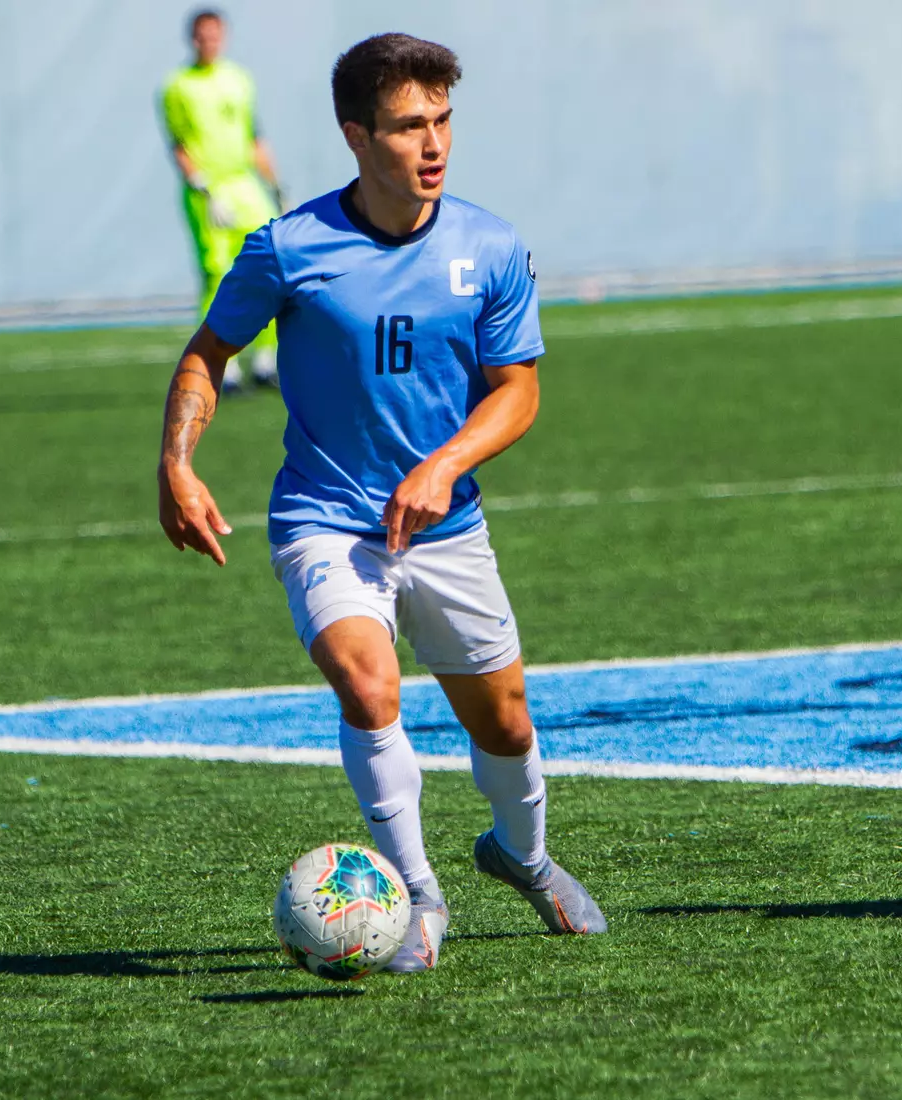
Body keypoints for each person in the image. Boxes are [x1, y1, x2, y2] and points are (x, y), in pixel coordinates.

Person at [156, 32, 607, 973]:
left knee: (508, 724)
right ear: (357, 137)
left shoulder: (489, 245)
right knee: (368, 683)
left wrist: (444, 464)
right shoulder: (289, 248)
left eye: (443, 120)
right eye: (409, 126)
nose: (433, 143)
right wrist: (178, 461)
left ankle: (521, 857)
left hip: (448, 525)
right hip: (325, 517)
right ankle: (416, 899)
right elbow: (208, 352)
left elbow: (517, 388)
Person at [159, 8, 283, 393]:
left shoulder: (239, 79)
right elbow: (178, 145)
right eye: (202, 36)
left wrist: (277, 187)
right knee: (217, 274)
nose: (208, 42)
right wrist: (202, 186)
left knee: (271, 264)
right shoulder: (178, 86)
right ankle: (221, 366)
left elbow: (254, 136)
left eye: (214, 35)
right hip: (209, 192)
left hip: (246, 185)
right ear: (191, 39)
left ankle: (266, 361)